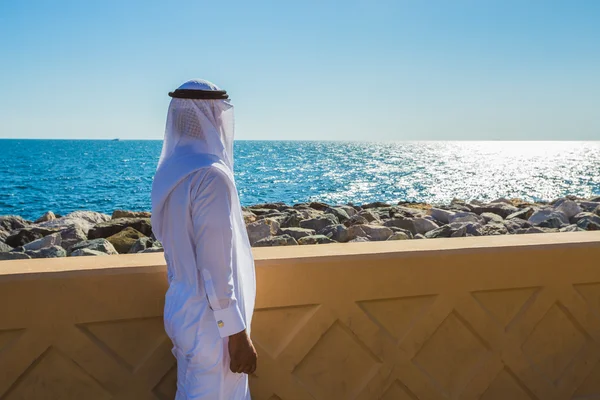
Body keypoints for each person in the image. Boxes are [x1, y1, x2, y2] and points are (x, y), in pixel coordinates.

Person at [151, 79, 257, 399]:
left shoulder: (170, 173)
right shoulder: (211, 175)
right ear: (213, 116)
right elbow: (214, 266)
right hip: (213, 329)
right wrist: (236, 334)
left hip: (182, 311)